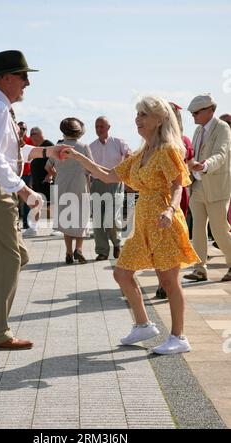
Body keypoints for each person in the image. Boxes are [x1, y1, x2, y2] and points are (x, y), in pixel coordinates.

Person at [63, 96, 200, 354]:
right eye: (137, 113)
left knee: (168, 281)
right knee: (122, 273)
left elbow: (177, 184)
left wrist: (171, 210)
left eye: (144, 114)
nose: (138, 119)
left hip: (164, 222)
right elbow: (106, 174)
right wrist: (78, 157)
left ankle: (179, 337)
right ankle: (143, 325)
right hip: (143, 222)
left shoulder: (168, 150)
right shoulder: (140, 154)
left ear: (159, 120)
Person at [0, 50, 72, 350]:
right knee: (7, 260)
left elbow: (12, 153)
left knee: (12, 257)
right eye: (23, 76)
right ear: (6, 77)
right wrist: (25, 191)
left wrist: (48, 152)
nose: (27, 83)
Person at [184, 94, 231, 282]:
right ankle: (200, 268)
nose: (193, 116)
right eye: (192, 113)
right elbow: (192, 155)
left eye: (196, 112)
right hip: (197, 186)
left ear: (210, 110)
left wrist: (204, 166)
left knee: (220, 231)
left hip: (218, 188)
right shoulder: (198, 131)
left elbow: (221, 155)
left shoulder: (223, 128)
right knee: (197, 230)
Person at [155, 102, 194, 299]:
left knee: (172, 237)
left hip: (175, 193)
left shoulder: (178, 141)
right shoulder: (180, 141)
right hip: (168, 194)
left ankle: (167, 283)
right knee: (164, 239)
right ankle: (165, 282)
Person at [46, 117, 93, 264]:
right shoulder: (84, 147)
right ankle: (78, 249)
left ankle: (68, 252)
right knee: (81, 218)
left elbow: (47, 166)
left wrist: (57, 175)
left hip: (62, 185)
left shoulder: (58, 147)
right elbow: (90, 168)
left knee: (67, 220)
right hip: (80, 185)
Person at [90, 117, 130, 261]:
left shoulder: (118, 142)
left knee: (112, 217)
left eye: (101, 126)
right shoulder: (91, 146)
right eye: (96, 127)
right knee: (98, 219)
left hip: (115, 183)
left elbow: (129, 155)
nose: (99, 129)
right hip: (97, 184)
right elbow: (87, 168)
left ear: (108, 127)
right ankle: (102, 251)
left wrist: (124, 170)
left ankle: (117, 243)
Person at [27, 127, 54, 236]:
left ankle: (58, 228)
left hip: (46, 182)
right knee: (35, 204)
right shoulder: (36, 148)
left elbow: (55, 161)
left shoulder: (48, 145)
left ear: (39, 134)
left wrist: (50, 175)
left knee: (51, 206)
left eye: (32, 134)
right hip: (37, 182)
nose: (31, 137)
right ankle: (33, 228)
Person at [17, 121, 33, 229]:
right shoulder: (13, 139)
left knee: (28, 200)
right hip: (16, 175)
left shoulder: (30, 141)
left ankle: (26, 224)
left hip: (28, 175)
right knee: (15, 201)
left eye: (24, 129)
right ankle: (15, 223)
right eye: (20, 128)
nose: (22, 130)